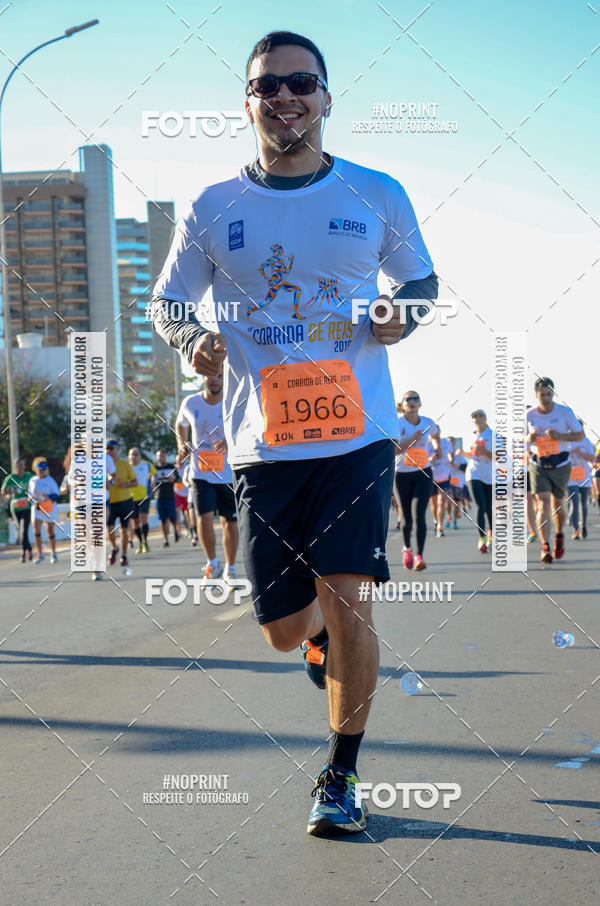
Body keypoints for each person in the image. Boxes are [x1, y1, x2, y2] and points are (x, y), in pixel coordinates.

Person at [150, 30, 437, 836]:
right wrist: (190, 339)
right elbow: (167, 303)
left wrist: (401, 313)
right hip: (262, 445)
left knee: (349, 599)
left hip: (358, 436)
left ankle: (340, 778)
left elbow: (421, 278)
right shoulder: (213, 206)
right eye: (267, 87)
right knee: (285, 630)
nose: (284, 99)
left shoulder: (376, 192)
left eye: (299, 84)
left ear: (325, 97)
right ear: (249, 104)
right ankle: (312, 641)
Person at [176, 372, 239, 586]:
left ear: (224, 379)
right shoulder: (190, 402)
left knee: (229, 522)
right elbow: (181, 424)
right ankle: (213, 562)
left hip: (228, 473)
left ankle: (230, 569)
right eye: (211, 376)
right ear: (203, 377)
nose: (214, 379)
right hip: (200, 472)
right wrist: (181, 446)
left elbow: (246, 427)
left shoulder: (232, 402)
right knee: (203, 518)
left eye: (219, 376)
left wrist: (230, 442)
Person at [527, 377, 583, 563]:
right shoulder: (529, 415)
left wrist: (560, 435)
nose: (545, 398)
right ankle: (545, 546)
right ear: (536, 395)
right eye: (542, 395)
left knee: (557, 506)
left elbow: (579, 435)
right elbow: (517, 440)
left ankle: (558, 535)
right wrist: (529, 437)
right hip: (538, 464)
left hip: (560, 464)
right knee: (542, 504)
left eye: (549, 394)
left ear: (553, 393)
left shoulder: (565, 412)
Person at [393, 391, 439, 570]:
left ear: (420, 403)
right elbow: (395, 451)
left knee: (419, 514)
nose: (412, 402)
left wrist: (438, 448)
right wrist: (412, 440)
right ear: (403, 404)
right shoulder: (397, 424)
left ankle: (419, 556)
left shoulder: (428, 422)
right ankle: (407, 548)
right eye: (408, 399)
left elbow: (436, 435)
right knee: (406, 518)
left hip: (423, 473)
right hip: (402, 474)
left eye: (415, 399)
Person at [465, 409, 494, 553]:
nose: (477, 419)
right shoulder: (471, 436)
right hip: (473, 474)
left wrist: (483, 451)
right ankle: (481, 538)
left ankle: (491, 533)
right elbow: (470, 454)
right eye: (474, 417)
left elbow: (500, 457)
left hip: (489, 475)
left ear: (485, 418)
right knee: (480, 506)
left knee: (489, 507)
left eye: (480, 416)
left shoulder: (493, 435)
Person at [106, 439, 137, 569]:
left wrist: (125, 484)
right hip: (109, 503)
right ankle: (114, 547)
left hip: (125, 502)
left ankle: (124, 555)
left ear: (117, 449)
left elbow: (135, 482)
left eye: (111, 448)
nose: (108, 450)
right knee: (110, 531)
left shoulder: (125, 464)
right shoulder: (100, 464)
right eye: (106, 448)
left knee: (124, 531)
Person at [28, 457, 60, 563]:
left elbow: (57, 494)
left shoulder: (50, 480)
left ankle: (53, 553)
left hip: (49, 507)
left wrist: (48, 496)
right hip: (37, 508)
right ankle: (40, 554)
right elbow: (31, 494)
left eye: (43, 469)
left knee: (49, 531)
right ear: (35, 469)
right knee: (36, 530)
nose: (41, 471)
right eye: (39, 469)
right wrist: (30, 498)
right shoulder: (32, 480)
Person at [2, 457, 34, 562]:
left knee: (24, 530)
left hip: (27, 507)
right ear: (16, 466)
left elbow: (37, 485)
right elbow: (3, 491)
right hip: (15, 508)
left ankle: (23, 553)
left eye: (23, 465)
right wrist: (13, 491)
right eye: (19, 465)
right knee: (21, 531)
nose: (21, 467)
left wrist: (31, 493)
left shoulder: (29, 476)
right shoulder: (11, 478)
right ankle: (29, 548)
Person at [567, 420, 594, 540]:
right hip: (571, 477)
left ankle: (583, 526)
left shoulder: (586, 442)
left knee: (584, 504)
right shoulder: (566, 442)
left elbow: (592, 458)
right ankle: (575, 529)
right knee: (574, 504)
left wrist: (580, 453)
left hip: (584, 477)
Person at [128, 447, 154, 554]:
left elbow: (154, 473)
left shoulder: (146, 464)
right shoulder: (127, 467)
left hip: (144, 496)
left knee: (143, 518)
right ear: (129, 457)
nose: (134, 456)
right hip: (130, 498)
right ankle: (140, 543)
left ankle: (145, 541)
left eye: (136, 454)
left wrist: (153, 483)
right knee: (135, 523)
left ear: (140, 456)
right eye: (132, 454)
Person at [152, 450, 180, 546]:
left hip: (170, 496)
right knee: (162, 519)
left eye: (162, 455)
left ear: (165, 456)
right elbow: (151, 482)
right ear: (156, 457)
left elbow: (178, 478)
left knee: (172, 517)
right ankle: (166, 539)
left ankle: (176, 531)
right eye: (159, 456)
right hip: (159, 496)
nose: (161, 457)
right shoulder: (154, 468)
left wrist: (173, 480)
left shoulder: (171, 467)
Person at [429, 429, 452, 538]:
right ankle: (436, 520)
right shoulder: (426, 444)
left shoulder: (446, 443)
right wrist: (431, 459)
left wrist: (450, 459)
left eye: (436, 431)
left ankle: (440, 526)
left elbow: (451, 455)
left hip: (444, 474)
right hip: (430, 475)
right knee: (433, 503)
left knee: (441, 501)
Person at [447, 437, 467, 529]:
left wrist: (455, 465)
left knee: (456, 502)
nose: (450, 444)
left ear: (454, 444)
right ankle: (448, 517)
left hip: (457, 482)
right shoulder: (442, 455)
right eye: (448, 442)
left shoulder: (460, 456)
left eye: (452, 442)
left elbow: (465, 469)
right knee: (447, 501)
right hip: (446, 481)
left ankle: (454, 521)